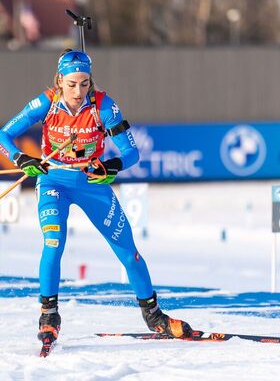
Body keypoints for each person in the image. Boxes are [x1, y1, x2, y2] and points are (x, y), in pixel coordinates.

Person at [0, 49, 193, 348]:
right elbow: (4, 135)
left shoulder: (103, 106)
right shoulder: (46, 102)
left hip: (92, 185)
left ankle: (154, 316)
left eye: (85, 83)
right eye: (72, 83)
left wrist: (111, 165)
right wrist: (22, 158)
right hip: (53, 182)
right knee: (53, 243)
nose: (78, 91)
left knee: (129, 253)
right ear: (60, 80)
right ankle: (49, 316)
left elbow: (132, 153)